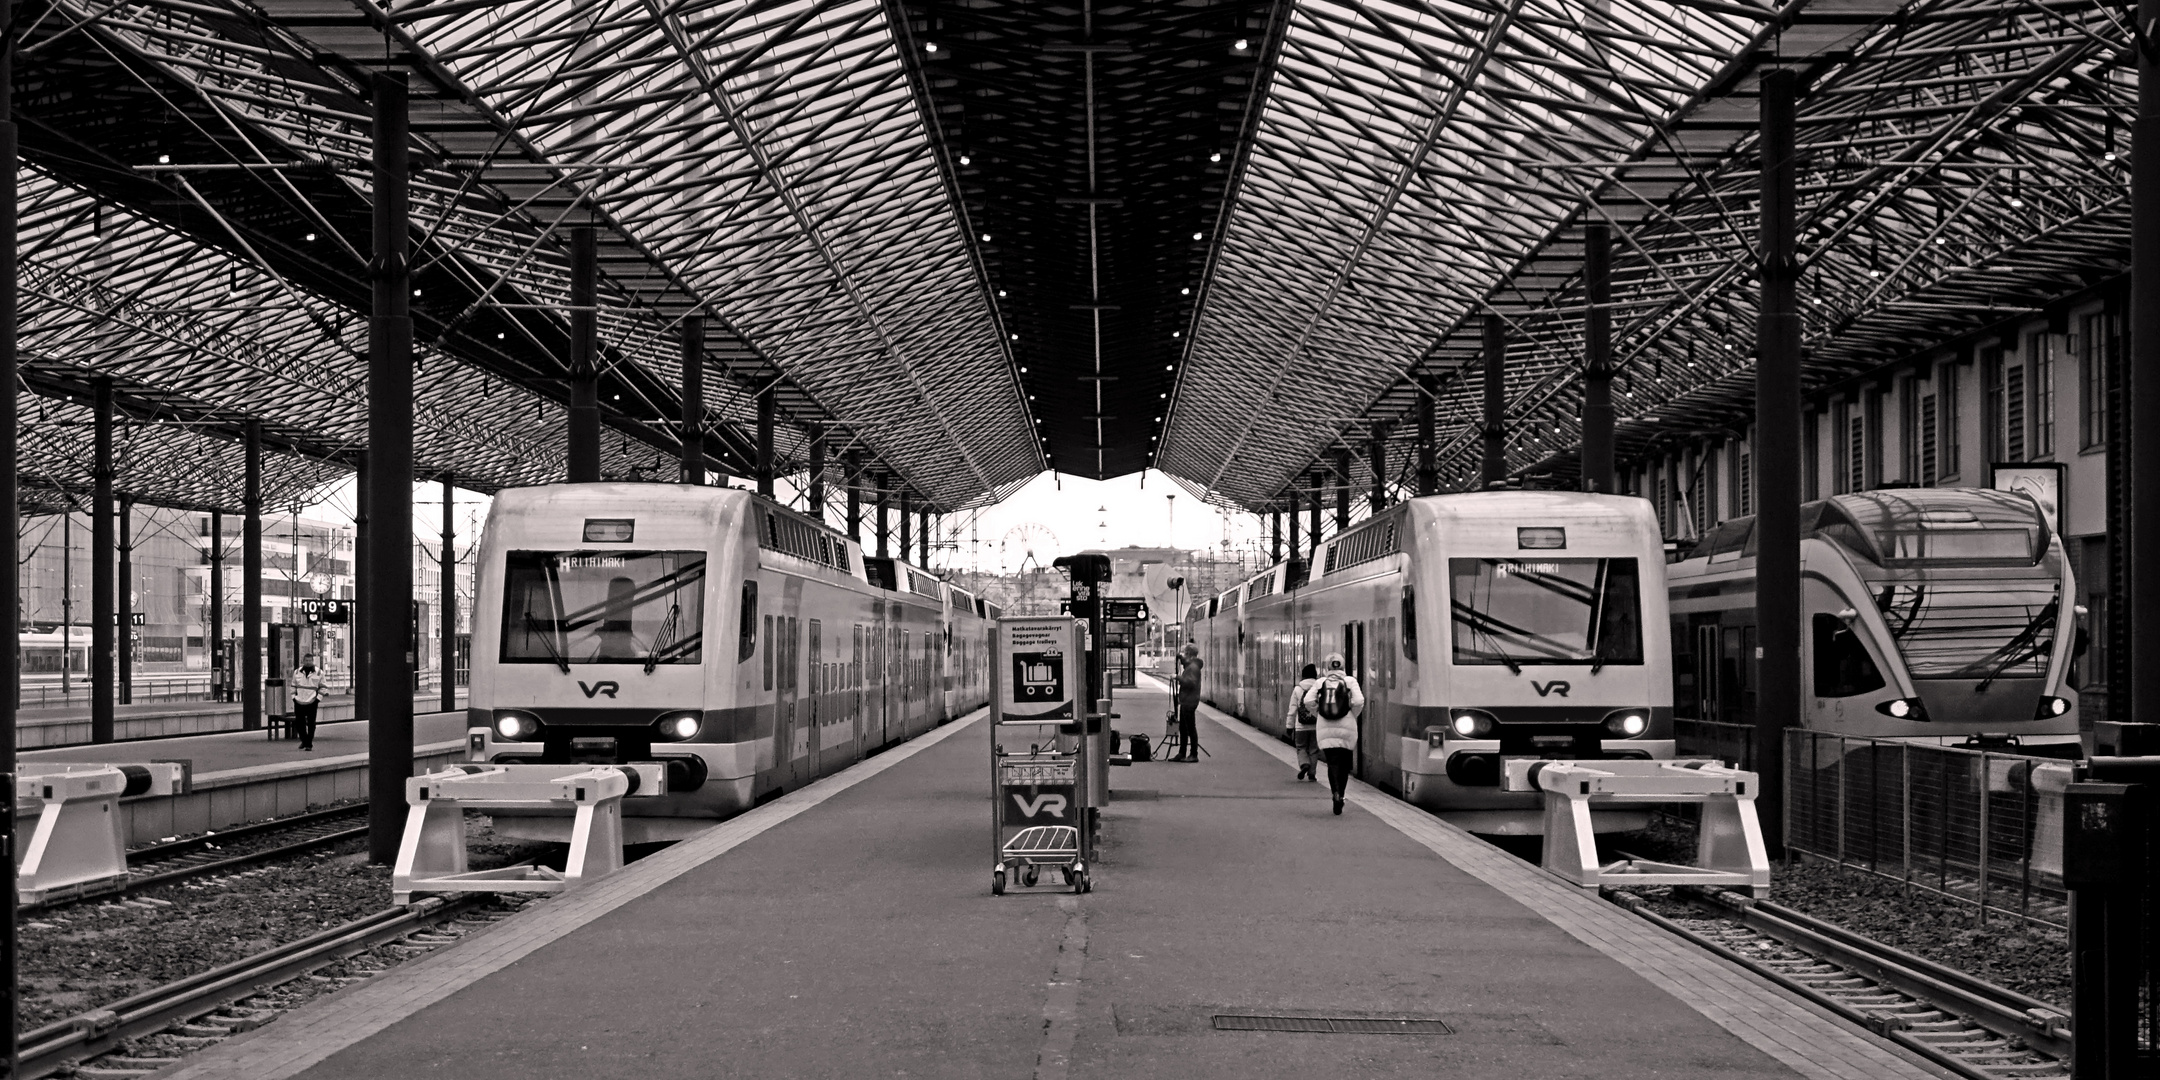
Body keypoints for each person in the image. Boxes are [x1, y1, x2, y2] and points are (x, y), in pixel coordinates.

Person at [1301, 651, 1365, 814]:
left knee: (1332, 763)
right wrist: (1351, 714)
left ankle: (1334, 792)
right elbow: (1358, 701)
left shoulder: (1321, 682)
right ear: (1343, 666)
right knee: (1344, 764)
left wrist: (1319, 713)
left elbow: (1308, 700)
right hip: (1347, 727)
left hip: (1325, 728)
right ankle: (1341, 795)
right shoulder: (1350, 681)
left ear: (1327, 667)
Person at [1285, 662, 1320, 782]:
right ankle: (1312, 774)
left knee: (1301, 747)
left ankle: (1304, 764)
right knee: (1314, 750)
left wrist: (1289, 726)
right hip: (1316, 726)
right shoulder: (1318, 688)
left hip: (1300, 726)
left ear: (1303, 676)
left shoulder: (1298, 689)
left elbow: (1292, 709)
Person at [1173, 643, 1203, 763]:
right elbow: (1187, 665)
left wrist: (1178, 677)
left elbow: (1191, 683)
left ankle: (1193, 754)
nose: (1183, 654)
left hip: (1189, 701)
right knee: (1183, 728)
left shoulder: (1193, 668)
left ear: (1189, 654)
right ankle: (1182, 752)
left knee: (1190, 728)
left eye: (1185, 652)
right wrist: (1181, 659)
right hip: (1186, 700)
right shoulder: (1192, 665)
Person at [291, 655, 326, 751]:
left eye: (310, 660)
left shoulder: (319, 672)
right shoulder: (297, 672)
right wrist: (293, 697)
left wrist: (318, 699)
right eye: (306, 660)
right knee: (299, 723)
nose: (308, 662)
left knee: (311, 724)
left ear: (313, 661)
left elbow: (323, 687)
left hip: (312, 701)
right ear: (303, 661)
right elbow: (293, 685)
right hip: (299, 701)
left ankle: (308, 743)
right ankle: (304, 740)